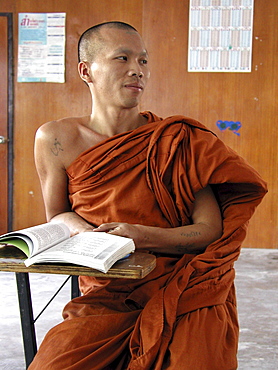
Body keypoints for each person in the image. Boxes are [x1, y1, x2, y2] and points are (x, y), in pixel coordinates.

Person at [29, 22, 267, 370]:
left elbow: (209, 230)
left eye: (142, 61)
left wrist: (140, 236)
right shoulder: (55, 138)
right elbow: (58, 214)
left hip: (185, 285)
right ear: (86, 71)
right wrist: (95, 240)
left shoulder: (176, 141)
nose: (136, 70)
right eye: (122, 58)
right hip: (109, 289)